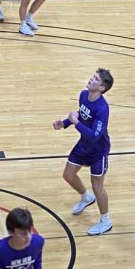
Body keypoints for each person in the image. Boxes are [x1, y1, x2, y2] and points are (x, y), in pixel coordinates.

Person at [54, 67, 114, 237]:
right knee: (68, 175)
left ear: (101, 88)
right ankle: (86, 197)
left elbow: (95, 135)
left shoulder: (102, 108)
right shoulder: (83, 95)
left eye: (95, 79)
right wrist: (65, 123)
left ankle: (105, 220)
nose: (91, 79)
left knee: (98, 186)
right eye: (92, 77)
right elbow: (81, 114)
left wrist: (75, 123)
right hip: (83, 145)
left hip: (98, 151)